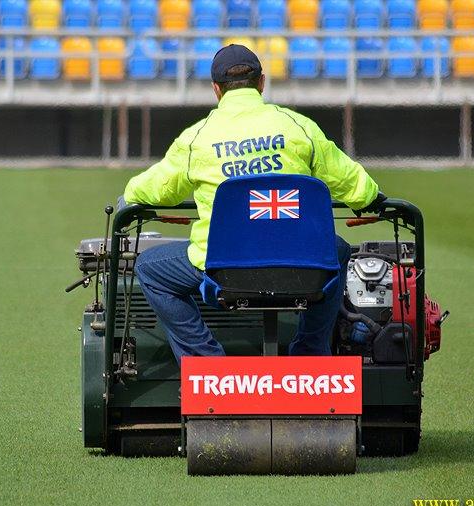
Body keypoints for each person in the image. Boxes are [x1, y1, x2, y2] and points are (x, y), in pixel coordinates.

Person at [123, 44, 384, 362]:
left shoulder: (197, 137)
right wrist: (371, 195)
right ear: (261, 82)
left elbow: (158, 189)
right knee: (338, 250)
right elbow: (358, 189)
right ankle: (310, 353)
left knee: (149, 269)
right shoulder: (297, 127)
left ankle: (208, 364)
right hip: (301, 264)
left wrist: (130, 193)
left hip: (224, 271)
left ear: (216, 90)